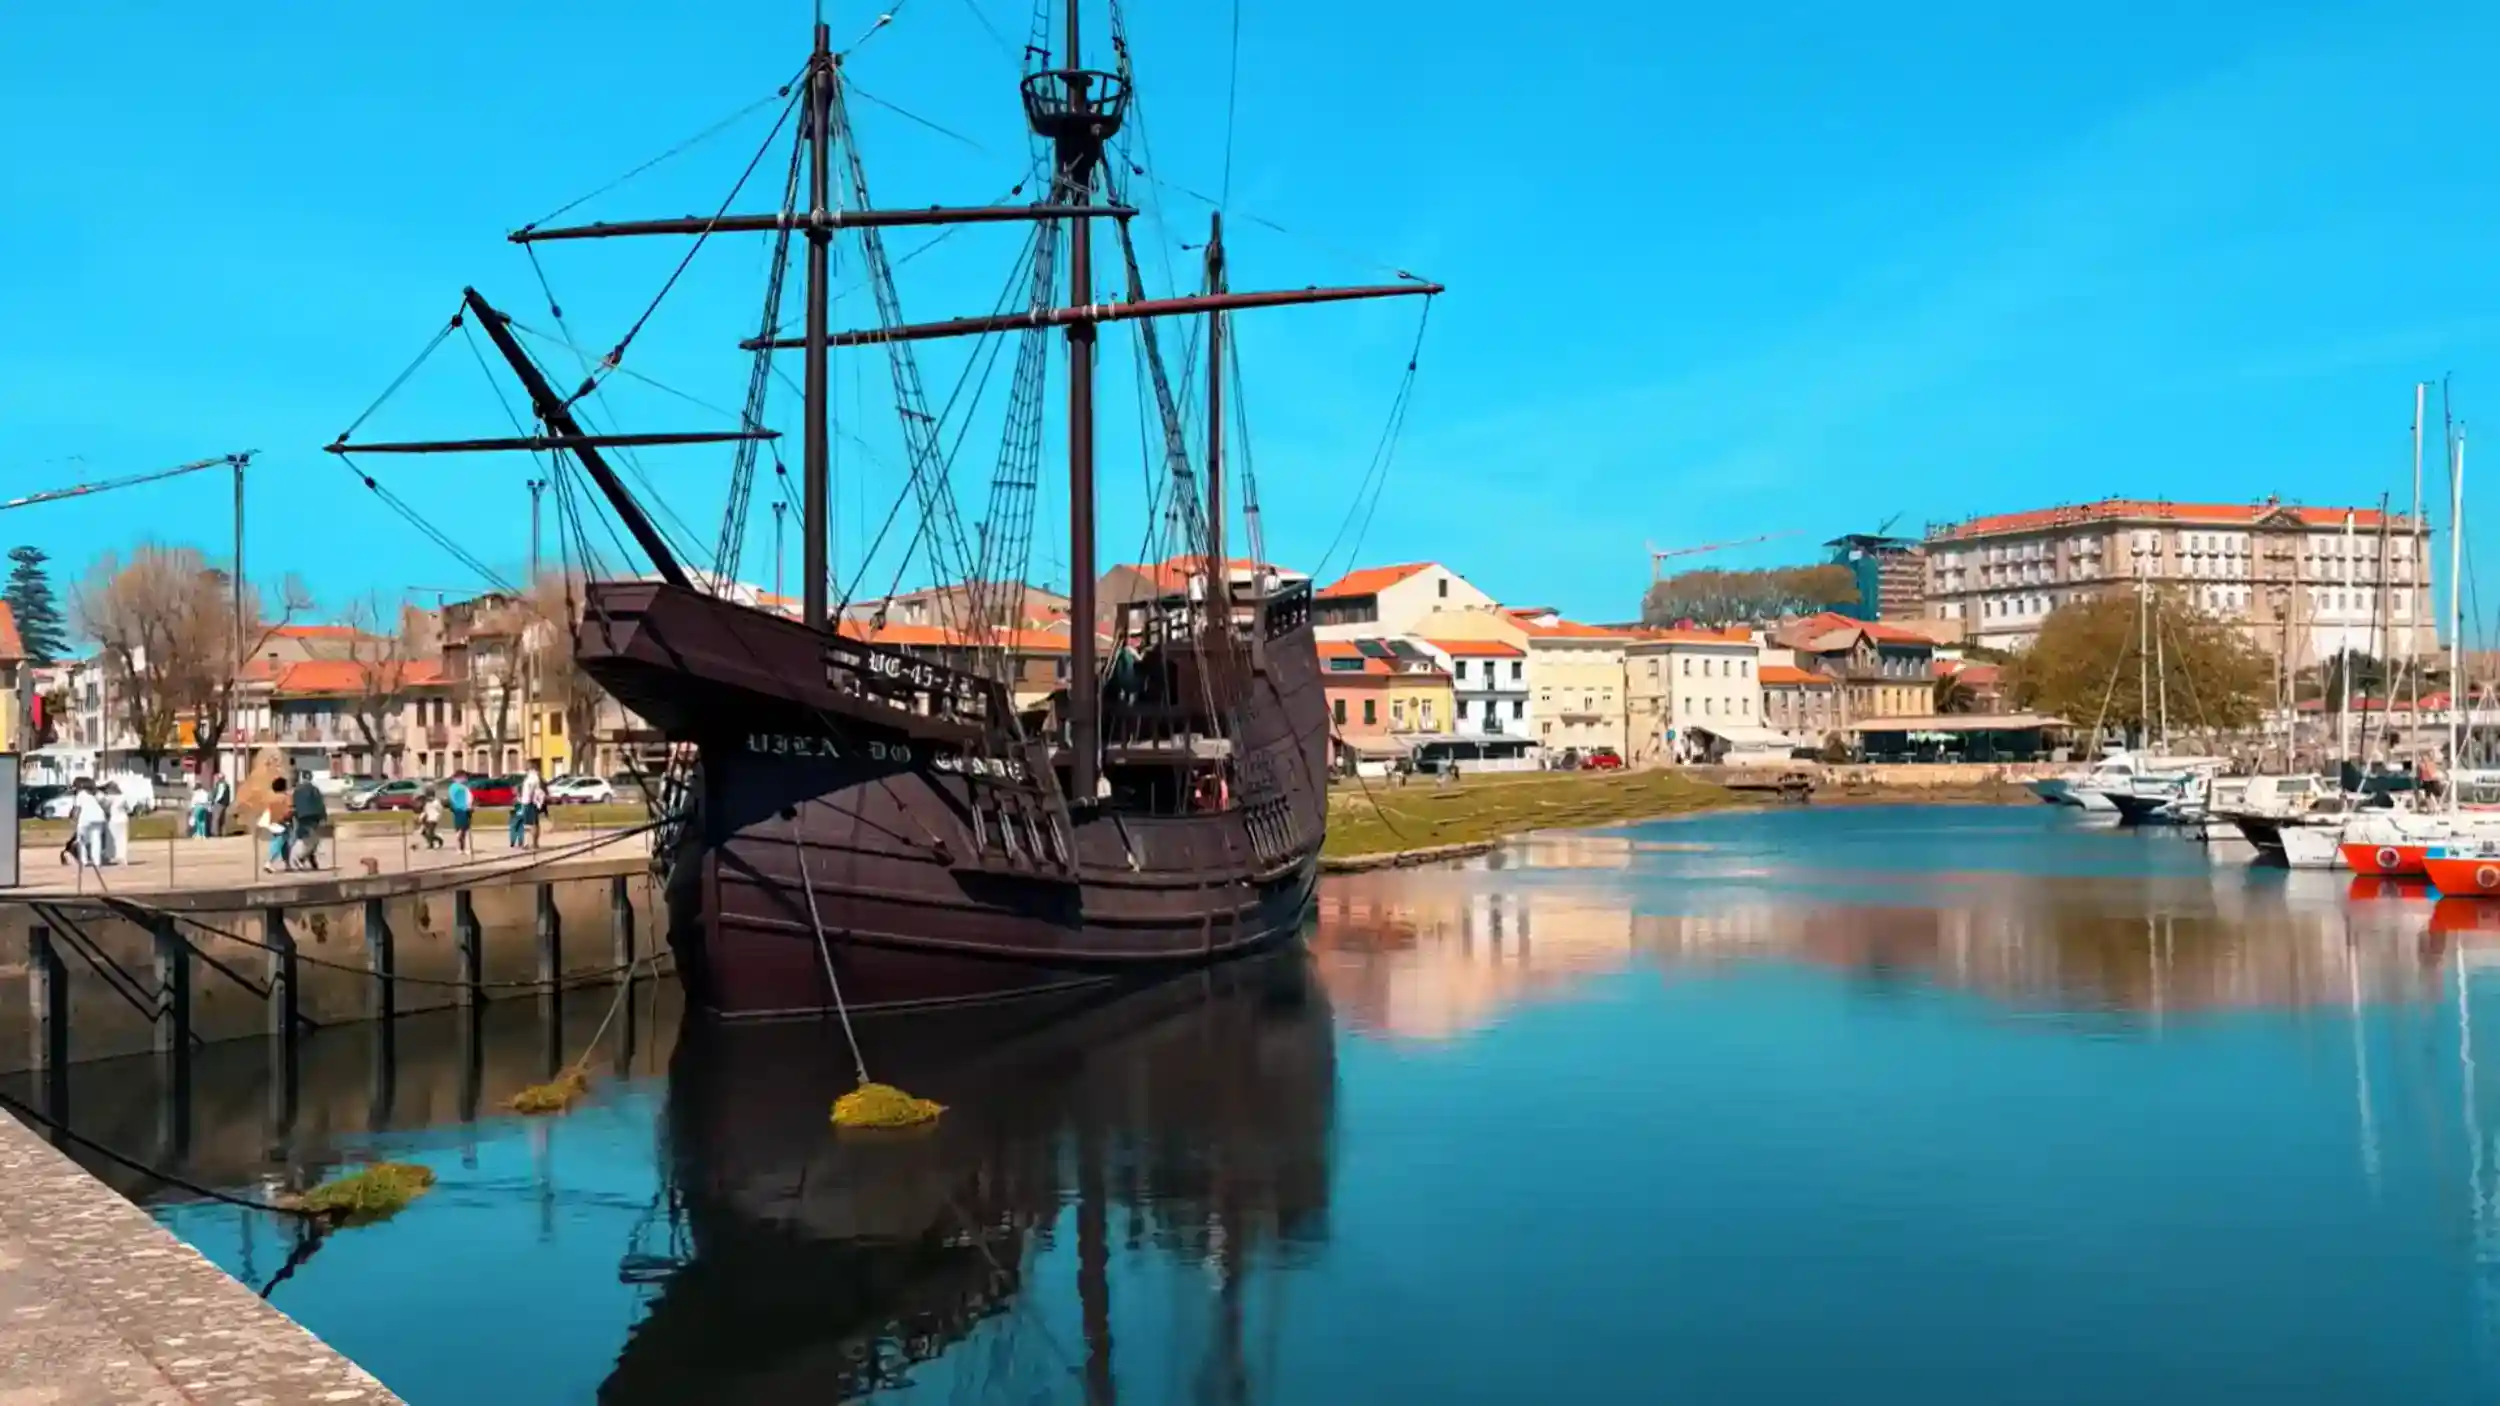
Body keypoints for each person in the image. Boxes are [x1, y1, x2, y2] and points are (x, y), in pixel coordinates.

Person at [290, 772, 330, 870]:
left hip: (301, 817)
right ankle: (303, 857)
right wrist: (323, 817)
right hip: (314, 817)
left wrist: (295, 816)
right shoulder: (314, 789)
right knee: (312, 839)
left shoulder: (297, 790)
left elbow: (293, 804)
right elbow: (320, 804)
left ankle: (304, 858)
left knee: (304, 837)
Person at [258, 778, 293, 873]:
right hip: (283, 822)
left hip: (272, 822)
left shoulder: (271, 797)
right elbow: (289, 810)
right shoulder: (286, 797)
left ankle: (287, 863)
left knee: (284, 844)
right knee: (279, 842)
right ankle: (269, 862)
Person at [68, 779, 105, 871]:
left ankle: (84, 860)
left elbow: (77, 809)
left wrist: (73, 819)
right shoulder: (97, 794)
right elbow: (104, 804)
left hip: (86, 818)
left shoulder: (81, 794)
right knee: (96, 840)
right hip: (98, 817)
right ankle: (97, 861)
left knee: (82, 839)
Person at [512, 767, 547, 849]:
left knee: (530, 824)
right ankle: (534, 843)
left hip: (530, 803)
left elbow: (529, 792)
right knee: (534, 824)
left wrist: (525, 802)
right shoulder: (536, 778)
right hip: (534, 802)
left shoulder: (531, 779)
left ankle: (530, 843)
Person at [102, 781, 130, 867]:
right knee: (122, 839)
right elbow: (128, 809)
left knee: (111, 839)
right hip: (123, 819)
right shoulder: (123, 797)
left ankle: (109, 856)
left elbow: (105, 806)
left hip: (113, 820)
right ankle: (122, 858)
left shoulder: (108, 797)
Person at [447, 772, 473, 852]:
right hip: (462, 810)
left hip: (462, 810)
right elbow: (467, 799)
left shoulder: (460, 787)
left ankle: (462, 847)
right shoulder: (459, 787)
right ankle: (459, 847)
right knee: (462, 829)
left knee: (463, 830)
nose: (466, 779)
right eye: (464, 777)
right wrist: (468, 806)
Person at [207, 768, 232, 838]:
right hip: (225, 804)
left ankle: (215, 833)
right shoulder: (227, 785)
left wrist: (214, 801)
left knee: (216, 818)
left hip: (219, 804)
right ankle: (223, 833)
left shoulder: (221, 785)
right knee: (222, 819)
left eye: (218, 777)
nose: (217, 779)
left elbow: (219, 795)